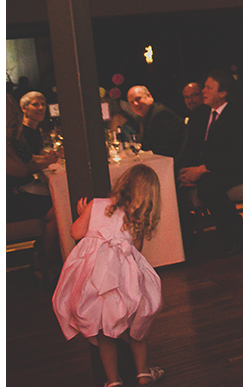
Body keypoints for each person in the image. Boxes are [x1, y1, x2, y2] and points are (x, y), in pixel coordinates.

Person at [51, 164, 165, 386]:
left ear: (123, 183)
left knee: (104, 332)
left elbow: (75, 232)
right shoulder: (137, 216)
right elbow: (137, 249)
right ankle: (143, 373)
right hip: (125, 279)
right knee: (137, 326)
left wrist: (85, 216)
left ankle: (113, 381)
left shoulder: (96, 205)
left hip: (96, 277)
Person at [177, 70, 243, 257]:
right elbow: (189, 148)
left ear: (223, 93)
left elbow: (236, 154)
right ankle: (186, 240)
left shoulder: (239, 114)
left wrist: (203, 169)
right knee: (169, 182)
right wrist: (183, 172)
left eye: (209, 88)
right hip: (204, 167)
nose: (203, 91)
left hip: (231, 167)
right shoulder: (200, 114)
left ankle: (235, 237)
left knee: (208, 187)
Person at [7, 95, 58, 276]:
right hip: (10, 200)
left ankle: (50, 255)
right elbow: (19, 170)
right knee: (56, 210)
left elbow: (22, 161)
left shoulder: (9, 133)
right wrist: (45, 163)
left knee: (56, 199)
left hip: (14, 192)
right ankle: (41, 262)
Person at [126, 86, 185, 159]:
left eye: (138, 99)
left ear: (149, 96)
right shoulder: (142, 117)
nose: (135, 104)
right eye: (131, 102)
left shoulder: (160, 113)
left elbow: (169, 147)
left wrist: (145, 154)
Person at [19, 91, 49, 155]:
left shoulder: (38, 129)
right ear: (23, 108)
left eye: (43, 104)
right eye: (35, 104)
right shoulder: (19, 133)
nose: (41, 108)